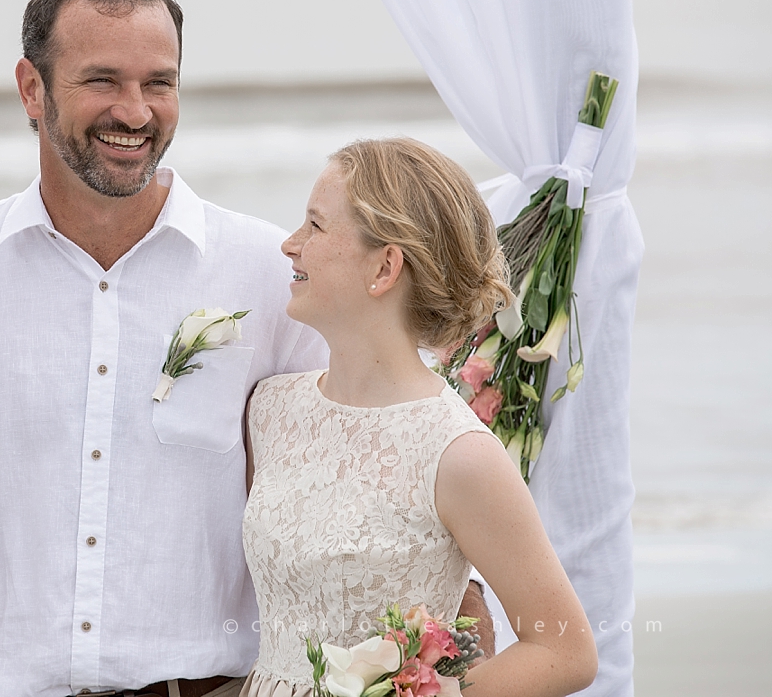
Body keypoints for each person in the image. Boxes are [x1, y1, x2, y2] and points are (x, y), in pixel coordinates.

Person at [0, 0, 488, 697]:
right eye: (102, 80)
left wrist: (460, 605)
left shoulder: (275, 277)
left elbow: (383, 449)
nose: (135, 112)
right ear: (32, 89)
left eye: (159, 83)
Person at [240, 138, 598, 697]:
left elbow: (565, 651)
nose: (291, 245)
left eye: (315, 225)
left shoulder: (459, 452)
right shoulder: (271, 408)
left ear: (384, 266)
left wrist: (435, 695)